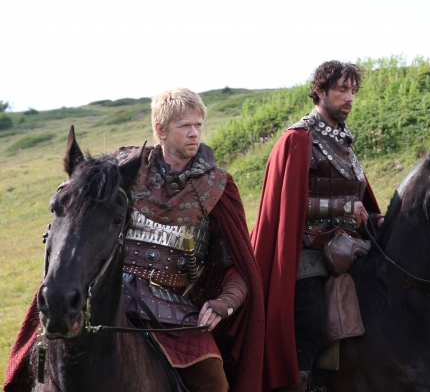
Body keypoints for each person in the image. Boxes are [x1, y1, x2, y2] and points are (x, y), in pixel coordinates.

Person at [4, 88, 265, 392]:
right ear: (160, 130)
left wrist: (224, 303)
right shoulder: (123, 170)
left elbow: (235, 267)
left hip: (175, 312)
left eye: (198, 125)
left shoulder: (218, 186)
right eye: (185, 126)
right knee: (36, 360)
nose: (194, 133)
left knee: (212, 380)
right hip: (108, 294)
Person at [251, 61, 383, 391]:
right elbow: (289, 205)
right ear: (320, 92)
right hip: (308, 248)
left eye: (352, 90)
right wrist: (342, 207)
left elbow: (361, 197)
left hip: (350, 243)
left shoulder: (343, 140)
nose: (349, 97)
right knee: (310, 319)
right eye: (341, 90)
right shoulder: (298, 139)